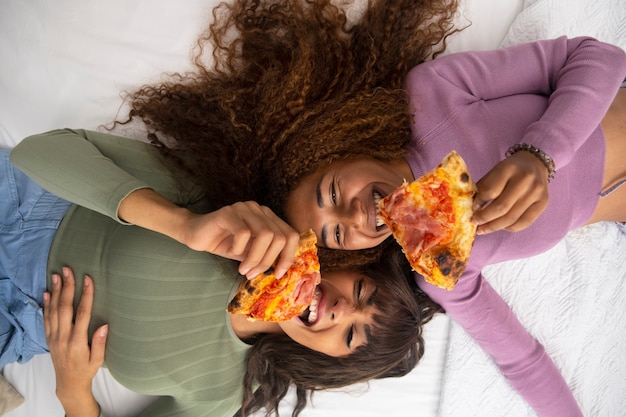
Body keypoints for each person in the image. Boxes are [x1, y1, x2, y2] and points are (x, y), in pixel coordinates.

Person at [94, 1, 626, 416]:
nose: (350, 217)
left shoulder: (433, 94)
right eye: (337, 238)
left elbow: (599, 58)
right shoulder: (444, 272)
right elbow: (521, 360)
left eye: (329, 194)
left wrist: (541, 154)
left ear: (337, 149)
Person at [1, 142, 439, 417]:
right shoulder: (229, 206)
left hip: (19, 328)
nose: (344, 311)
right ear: (344, 262)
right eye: (361, 293)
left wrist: (73, 393)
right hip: (30, 208)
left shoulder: (223, 395)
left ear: (328, 359)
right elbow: (34, 153)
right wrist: (184, 225)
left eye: (350, 336)